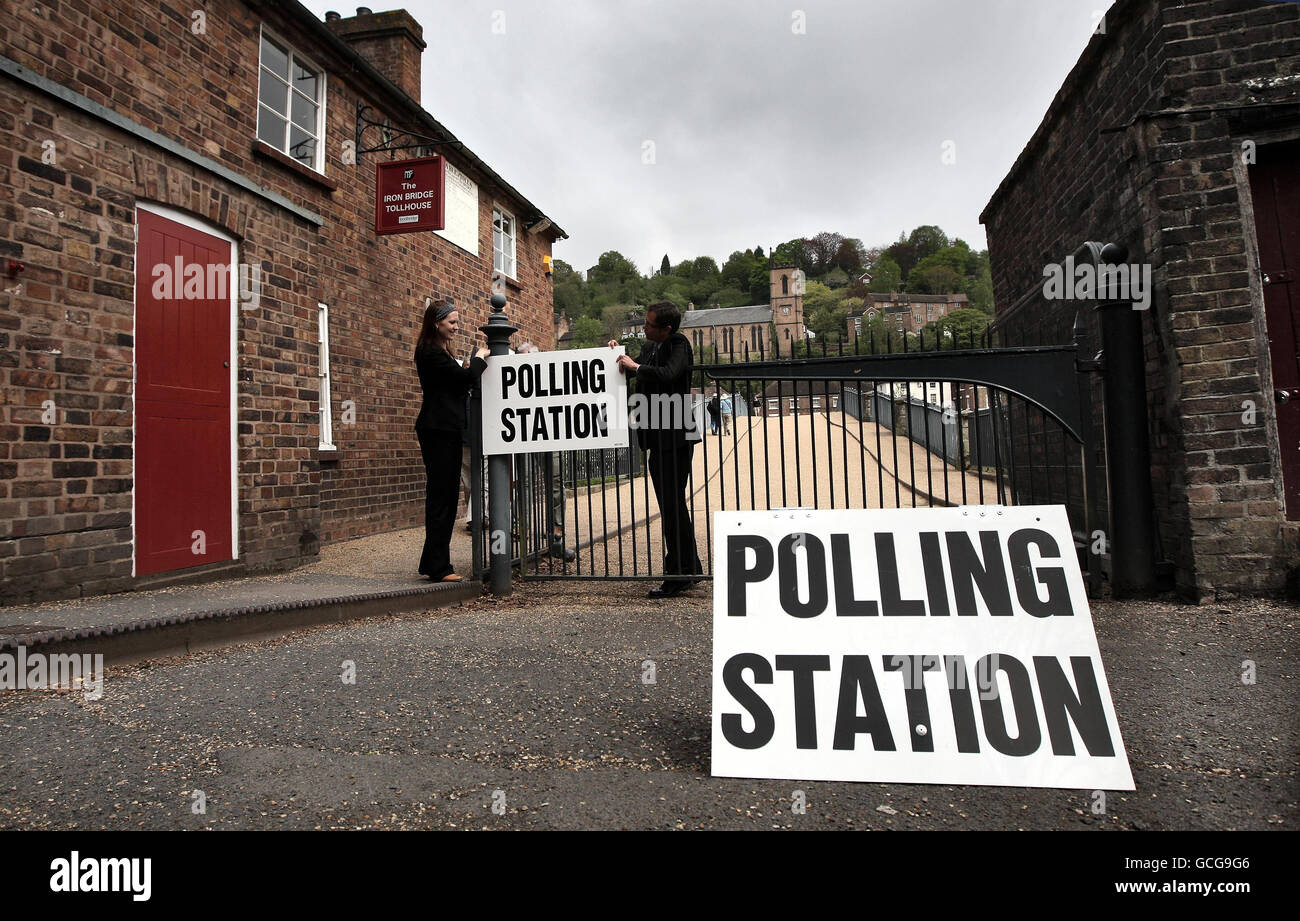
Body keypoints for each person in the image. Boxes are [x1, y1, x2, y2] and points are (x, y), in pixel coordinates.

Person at [610, 301, 702, 598]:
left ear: (667, 328)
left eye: (649, 325)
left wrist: (635, 366)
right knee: (673, 506)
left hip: (675, 437)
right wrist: (615, 354)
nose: (644, 328)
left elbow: (669, 373)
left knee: (673, 506)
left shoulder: (679, 344)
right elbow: (632, 368)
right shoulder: (651, 346)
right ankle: (689, 569)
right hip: (656, 438)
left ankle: (678, 574)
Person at [414, 300, 489, 582]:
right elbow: (465, 379)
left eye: (457, 322)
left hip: (445, 429)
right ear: (437, 323)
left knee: (444, 496)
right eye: (452, 323)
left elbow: (457, 381)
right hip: (438, 430)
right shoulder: (430, 352)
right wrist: (481, 356)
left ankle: (434, 563)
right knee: (441, 498)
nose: (456, 327)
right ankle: (439, 567)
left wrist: (467, 369)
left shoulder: (438, 352)